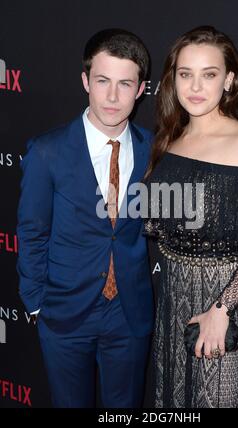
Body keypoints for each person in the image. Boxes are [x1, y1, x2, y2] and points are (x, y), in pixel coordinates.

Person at [143, 26, 238, 408]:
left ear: (230, 79)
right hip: (173, 297)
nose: (195, 86)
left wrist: (222, 310)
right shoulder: (171, 139)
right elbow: (160, 220)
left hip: (228, 302)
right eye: (185, 74)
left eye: (209, 74)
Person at [17, 28, 154, 408]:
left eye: (125, 83)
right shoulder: (47, 152)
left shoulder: (153, 151)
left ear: (141, 89)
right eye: (103, 81)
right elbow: (31, 232)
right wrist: (37, 305)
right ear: (85, 81)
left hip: (129, 313)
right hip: (63, 313)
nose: (113, 96)